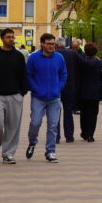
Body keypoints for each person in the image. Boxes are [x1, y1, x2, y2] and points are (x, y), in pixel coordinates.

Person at [0, 30, 29, 164]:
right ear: (2, 39)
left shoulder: (18, 56)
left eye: (12, 37)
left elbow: (23, 74)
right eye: (8, 37)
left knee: (13, 126)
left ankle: (8, 153)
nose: (11, 39)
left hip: (15, 95)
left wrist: (23, 92)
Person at [26, 33, 67, 163]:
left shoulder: (59, 57)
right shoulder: (33, 58)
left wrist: (59, 87)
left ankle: (50, 151)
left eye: (53, 44)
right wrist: (35, 88)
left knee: (53, 126)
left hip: (54, 97)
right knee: (35, 122)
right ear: (42, 43)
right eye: (48, 44)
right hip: (38, 97)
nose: (51, 46)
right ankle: (32, 142)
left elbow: (63, 74)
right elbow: (28, 75)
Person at [76, 44, 102, 142]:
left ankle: (84, 133)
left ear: (85, 51)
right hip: (95, 92)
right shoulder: (101, 63)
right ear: (96, 52)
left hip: (82, 92)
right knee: (93, 114)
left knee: (84, 113)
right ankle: (91, 135)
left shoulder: (81, 63)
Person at [59, 41, 84, 143]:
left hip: (56, 88)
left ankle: (55, 137)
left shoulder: (53, 54)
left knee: (55, 113)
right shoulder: (73, 53)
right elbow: (84, 63)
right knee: (68, 112)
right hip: (70, 87)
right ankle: (69, 136)